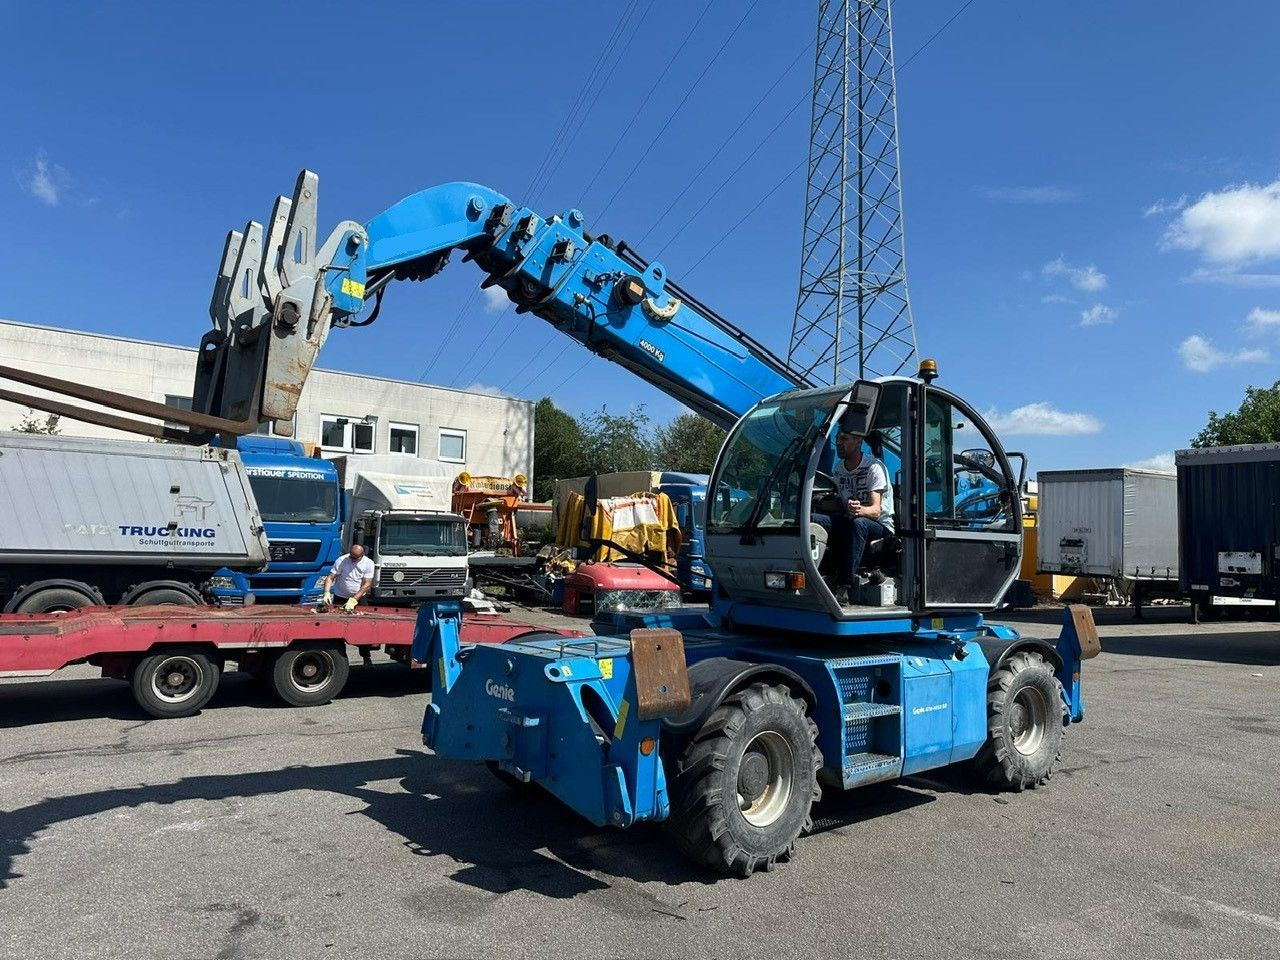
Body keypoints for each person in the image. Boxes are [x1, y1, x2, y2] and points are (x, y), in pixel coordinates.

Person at [819, 428, 895, 604]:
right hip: (851, 518)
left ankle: (843, 587)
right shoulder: (839, 470)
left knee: (859, 523)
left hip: (879, 527)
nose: (838, 442)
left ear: (858, 442)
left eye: (844, 438)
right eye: (838, 438)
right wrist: (817, 502)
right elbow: (840, 503)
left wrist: (858, 509)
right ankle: (814, 575)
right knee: (815, 519)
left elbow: (876, 510)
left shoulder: (874, 468)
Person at [323, 543, 375, 611]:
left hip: (359, 598)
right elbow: (330, 577)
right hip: (340, 597)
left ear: (362, 555)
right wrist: (326, 593)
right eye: (351, 557)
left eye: (356, 558)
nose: (353, 560)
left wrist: (354, 600)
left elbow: (367, 584)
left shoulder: (369, 563)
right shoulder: (341, 560)